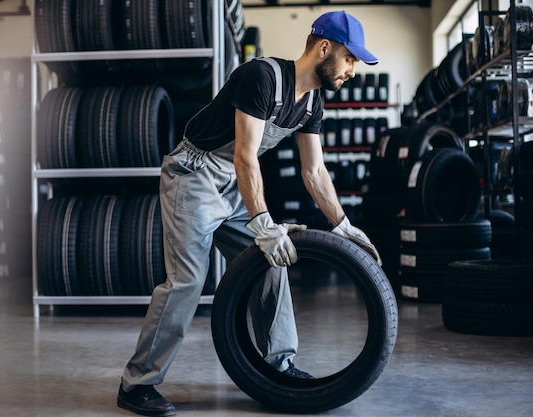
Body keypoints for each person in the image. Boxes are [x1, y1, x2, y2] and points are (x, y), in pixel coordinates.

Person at [117, 10, 382, 417]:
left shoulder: (312, 102)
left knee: (271, 264)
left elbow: (314, 171)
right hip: (195, 174)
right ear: (324, 47)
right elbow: (245, 155)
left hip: (233, 182)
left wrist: (342, 225)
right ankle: (138, 384)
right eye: (350, 59)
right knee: (188, 281)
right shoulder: (262, 77)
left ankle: (280, 366)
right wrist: (262, 222)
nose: (353, 70)